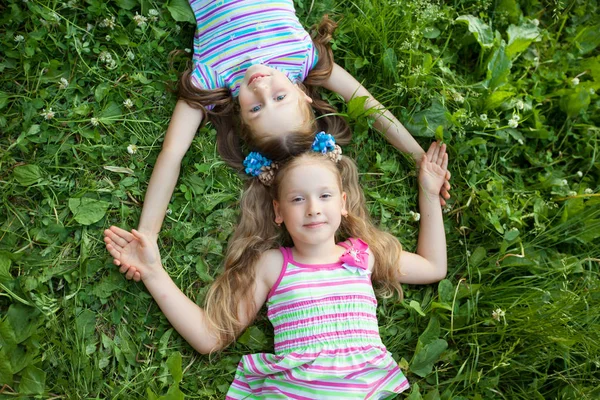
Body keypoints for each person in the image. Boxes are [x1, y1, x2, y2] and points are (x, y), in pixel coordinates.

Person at [104, 133, 449, 399]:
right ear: (278, 212)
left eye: (325, 196)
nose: (313, 208)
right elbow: (209, 337)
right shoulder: (273, 265)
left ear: (343, 203)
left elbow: (433, 267)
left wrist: (429, 194)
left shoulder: (364, 255)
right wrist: (153, 272)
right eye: (298, 199)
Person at [136, 0, 450, 241]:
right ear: (303, 94)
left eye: (256, 108)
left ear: (240, 116)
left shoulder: (212, 77)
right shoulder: (301, 56)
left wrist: (148, 233)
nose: (261, 87)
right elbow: (369, 105)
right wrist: (417, 156)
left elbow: (172, 155)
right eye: (280, 98)